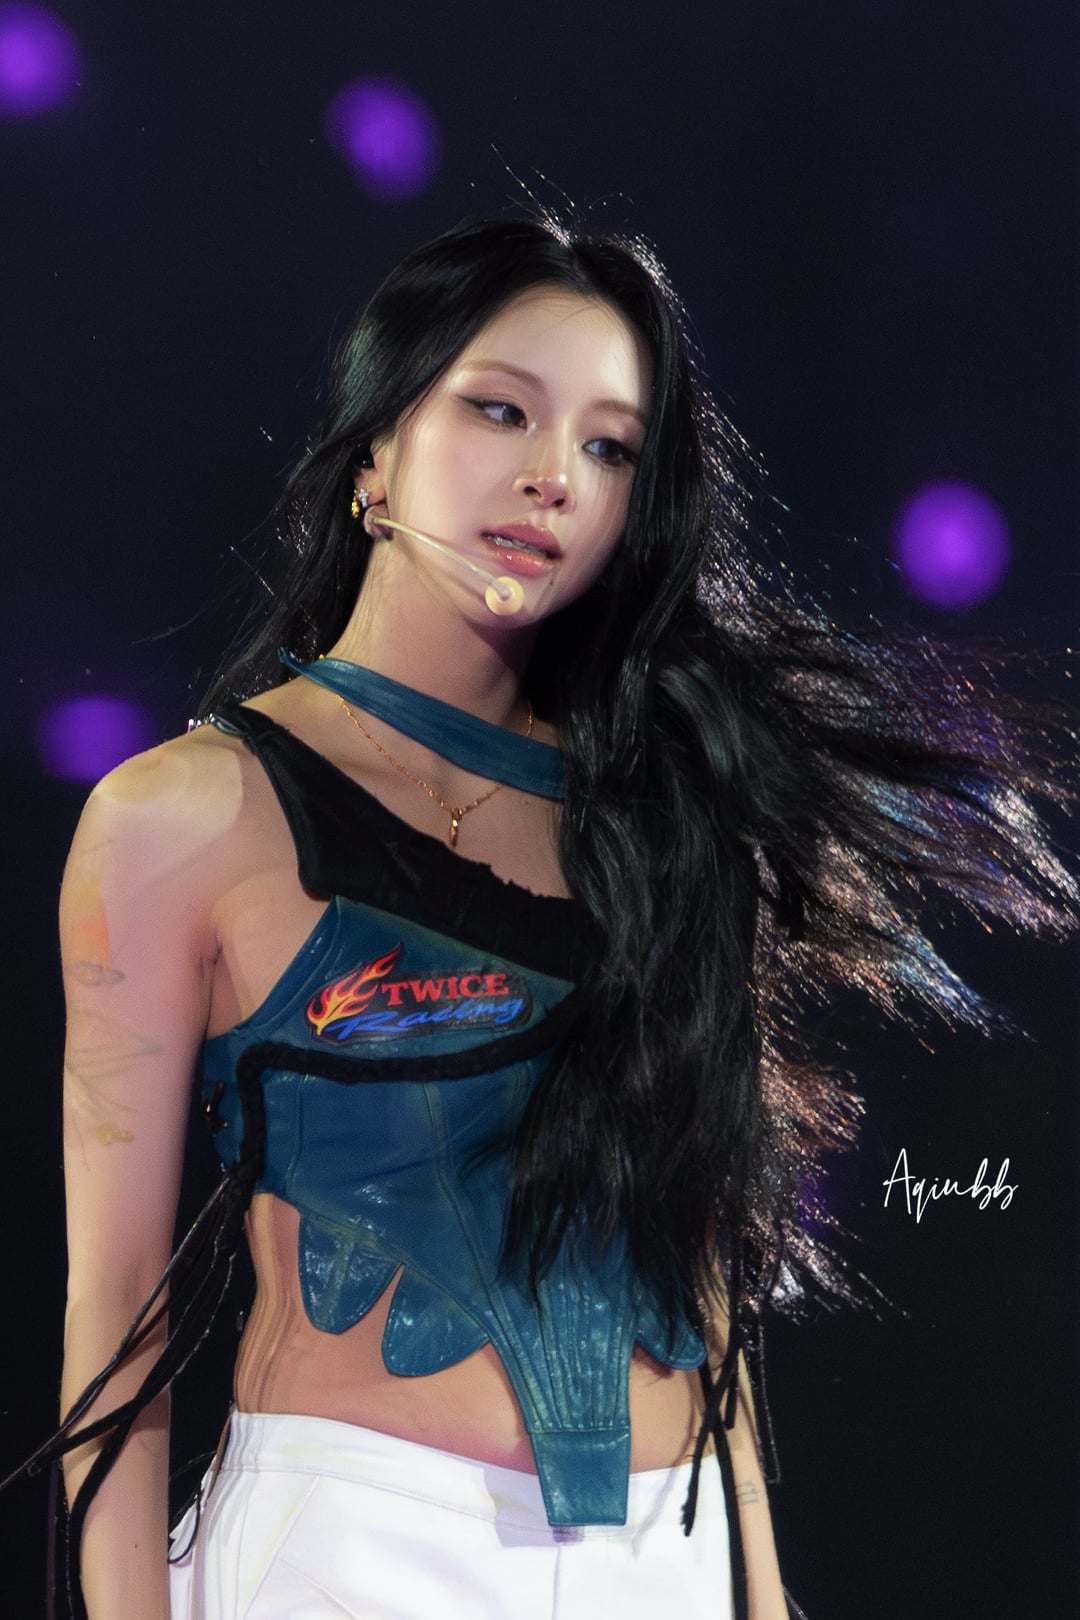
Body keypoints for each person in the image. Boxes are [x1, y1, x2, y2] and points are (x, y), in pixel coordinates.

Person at [27, 214, 1077, 1620]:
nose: (555, 477)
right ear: (376, 448)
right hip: (354, 1557)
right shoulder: (182, 818)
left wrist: (761, 1590)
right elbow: (115, 1315)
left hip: (668, 1560)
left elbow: (698, 1261)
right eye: (501, 409)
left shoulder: (661, 810)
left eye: (611, 446)